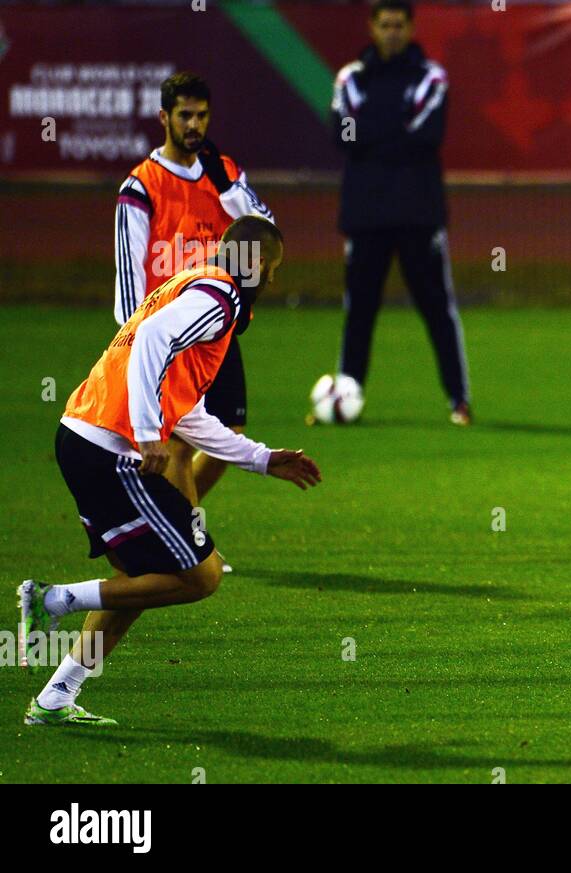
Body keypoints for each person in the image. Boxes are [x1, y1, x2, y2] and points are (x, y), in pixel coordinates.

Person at [18, 217, 320, 727]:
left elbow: (190, 411)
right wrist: (148, 431)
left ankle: (54, 698)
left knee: (145, 581)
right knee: (201, 576)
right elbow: (152, 340)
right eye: (274, 269)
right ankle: (52, 599)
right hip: (110, 448)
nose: (274, 281)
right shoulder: (218, 300)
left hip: (83, 437)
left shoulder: (190, 284)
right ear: (259, 265)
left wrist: (263, 459)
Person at [114, 71, 275, 573]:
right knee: (182, 446)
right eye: (184, 114)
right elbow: (128, 278)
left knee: (230, 433)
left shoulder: (223, 172)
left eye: (202, 115)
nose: (194, 124)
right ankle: (190, 541)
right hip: (168, 334)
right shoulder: (140, 187)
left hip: (218, 328)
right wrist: (135, 339)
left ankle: (177, 524)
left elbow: (263, 234)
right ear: (164, 118)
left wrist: (228, 189)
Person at [330, 0, 471, 425]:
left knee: (436, 308)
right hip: (365, 215)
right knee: (359, 310)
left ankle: (458, 401)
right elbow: (343, 135)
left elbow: (427, 136)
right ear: (372, 28)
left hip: (418, 213)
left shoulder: (431, 76)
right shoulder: (350, 78)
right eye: (384, 24)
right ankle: (346, 398)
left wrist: (373, 136)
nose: (391, 32)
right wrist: (393, 131)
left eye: (399, 25)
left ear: (411, 28)